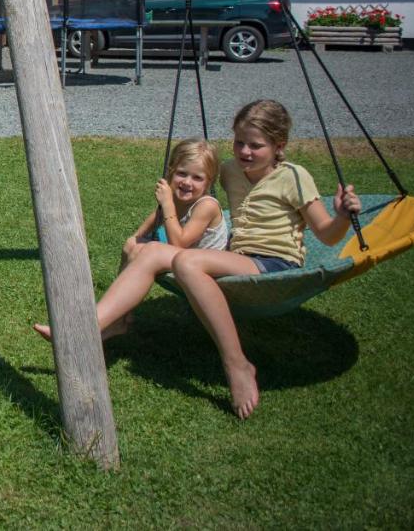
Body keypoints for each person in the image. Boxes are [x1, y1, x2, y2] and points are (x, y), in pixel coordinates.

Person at [172, 99, 361, 419]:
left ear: (279, 145)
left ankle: (237, 364)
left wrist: (342, 215)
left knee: (187, 262)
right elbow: (195, 191)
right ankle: (111, 323)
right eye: (239, 142)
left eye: (256, 145)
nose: (244, 151)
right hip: (238, 255)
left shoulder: (294, 176)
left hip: (276, 261)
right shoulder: (231, 171)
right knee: (153, 252)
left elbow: (328, 234)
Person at [34, 138, 227, 344]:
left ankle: (88, 327)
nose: (187, 182)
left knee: (145, 249)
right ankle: (118, 318)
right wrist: (136, 240)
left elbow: (180, 243)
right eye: (181, 173)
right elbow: (155, 219)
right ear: (170, 172)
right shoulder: (180, 199)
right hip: (184, 259)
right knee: (132, 245)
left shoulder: (207, 205)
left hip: (204, 268)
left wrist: (168, 203)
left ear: (209, 181)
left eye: (197, 177)